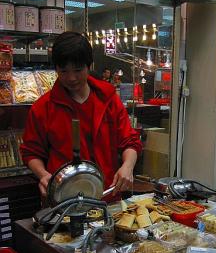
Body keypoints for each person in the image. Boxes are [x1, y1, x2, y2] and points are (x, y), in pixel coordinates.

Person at [20, 31, 142, 200]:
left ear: (89, 65)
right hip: (63, 200)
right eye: (63, 71)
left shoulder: (108, 98)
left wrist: (128, 166)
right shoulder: (43, 108)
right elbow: (31, 153)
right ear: (55, 68)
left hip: (107, 195)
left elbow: (129, 141)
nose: (71, 78)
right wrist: (43, 175)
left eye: (78, 70)